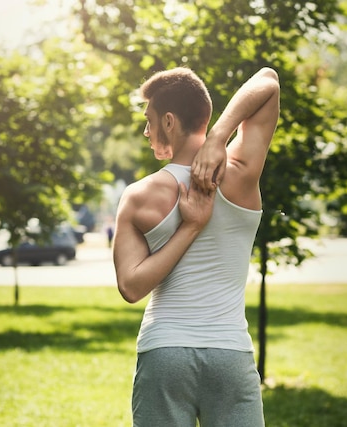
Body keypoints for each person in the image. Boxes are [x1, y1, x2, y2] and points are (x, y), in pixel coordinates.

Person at [112, 66, 280, 427]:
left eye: (149, 120)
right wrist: (221, 137)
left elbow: (130, 287)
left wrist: (215, 140)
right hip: (229, 354)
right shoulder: (240, 172)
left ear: (169, 121)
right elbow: (267, 81)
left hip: (164, 353)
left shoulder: (139, 196)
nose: (146, 130)